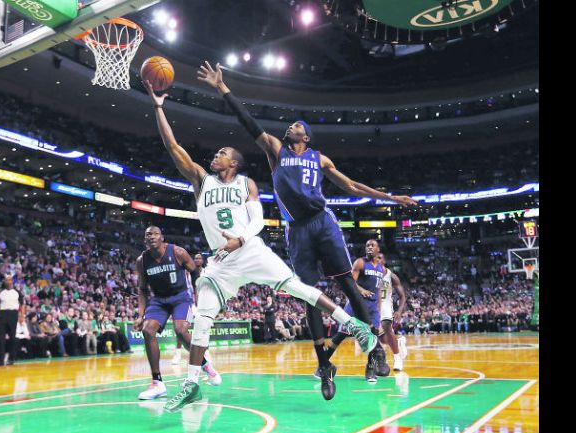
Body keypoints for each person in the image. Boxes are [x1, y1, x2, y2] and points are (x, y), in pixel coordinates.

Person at [144, 80, 376, 412]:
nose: (215, 155)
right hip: (221, 261)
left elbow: (258, 220)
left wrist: (240, 238)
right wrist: (158, 107)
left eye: (222, 153)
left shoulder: (246, 183)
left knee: (298, 287)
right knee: (203, 318)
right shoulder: (201, 180)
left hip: (250, 250)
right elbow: (173, 147)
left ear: (233, 164)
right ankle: (192, 384)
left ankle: (354, 326)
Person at [196, 61, 415, 383]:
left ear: (307, 136)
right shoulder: (276, 150)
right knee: (307, 294)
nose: (291, 126)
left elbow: (351, 186)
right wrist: (222, 87)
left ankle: (374, 351)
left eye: (297, 125)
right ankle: (324, 361)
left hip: (322, 221)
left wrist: (390, 198)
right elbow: (249, 123)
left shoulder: (319, 158)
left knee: (347, 284)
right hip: (297, 229)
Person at [134, 226, 220, 400]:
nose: (152, 236)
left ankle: (205, 364)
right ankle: (157, 383)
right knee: (147, 330)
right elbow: (142, 289)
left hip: (181, 298)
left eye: (155, 233)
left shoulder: (178, 252)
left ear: (162, 238)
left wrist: (200, 296)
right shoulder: (142, 261)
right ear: (145, 240)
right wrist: (140, 314)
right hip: (158, 300)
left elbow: (195, 272)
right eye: (148, 234)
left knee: (180, 330)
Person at [377, 253, 409, 372]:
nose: (377, 260)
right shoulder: (369, 274)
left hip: (386, 306)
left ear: (384, 261)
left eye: (380, 258)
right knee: (383, 339)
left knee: (387, 328)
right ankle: (399, 341)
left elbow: (402, 296)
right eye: (375, 258)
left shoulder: (391, 276)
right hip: (373, 307)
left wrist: (399, 311)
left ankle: (397, 358)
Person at [0, 275, 25, 366]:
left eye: (10, 280)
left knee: (12, 338)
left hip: (13, 315)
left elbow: (22, 305)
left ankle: (11, 358)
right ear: (4, 281)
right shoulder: (0, 293)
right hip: (2, 315)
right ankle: (1, 360)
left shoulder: (17, 292)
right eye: (6, 280)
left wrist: (22, 316)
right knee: (1, 338)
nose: (8, 281)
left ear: (12, 281)